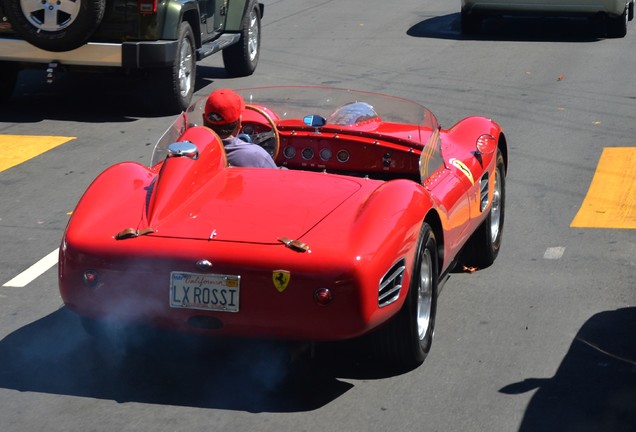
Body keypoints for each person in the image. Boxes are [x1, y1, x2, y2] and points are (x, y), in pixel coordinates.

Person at [202, 88, 277, 168]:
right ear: (239, 123)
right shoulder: (257, 156)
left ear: (204, 120)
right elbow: (277, 178)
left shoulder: (193, 151)